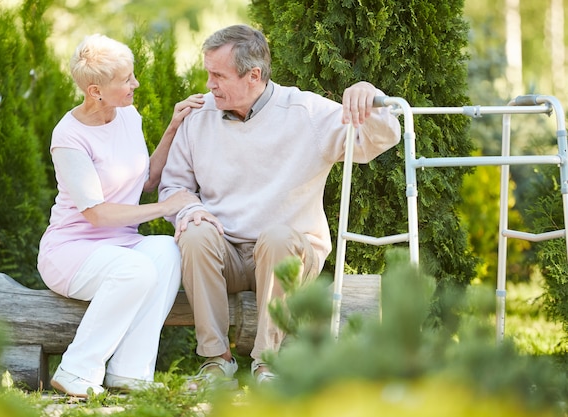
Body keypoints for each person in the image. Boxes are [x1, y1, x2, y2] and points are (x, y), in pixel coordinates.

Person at [157, 24, 401, 388]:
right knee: (193, 233)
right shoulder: (199, 116)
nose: (209, 84)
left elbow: (373, 143)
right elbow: (173, 186)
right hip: (226, 251)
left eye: (218, 75)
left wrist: (370, 96)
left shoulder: (306, 112)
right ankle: (215, 362)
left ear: (253, 75)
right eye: (208, 73)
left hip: (288, 252)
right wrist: (191, 211)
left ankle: (268, 364)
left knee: (276, 237)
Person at [37, 33, 202, 397]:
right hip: (71, 250)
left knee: (166, 251)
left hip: (121, 244)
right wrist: (165, 208)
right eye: (126, 79)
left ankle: (130, 371)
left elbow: (145, 181)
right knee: (137, 268)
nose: (135, 83)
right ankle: (77, 371)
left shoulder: (128, 115)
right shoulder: (69, 137)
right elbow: (95, 214)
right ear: (95, 91)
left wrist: (174, 126)